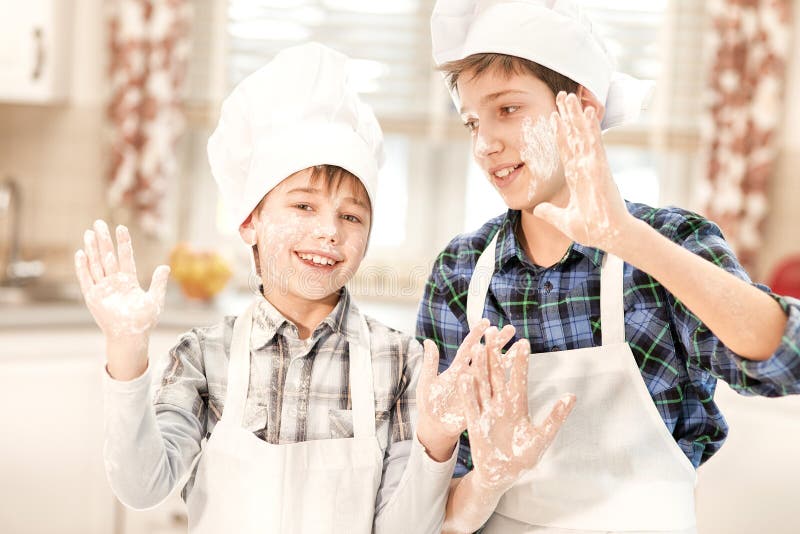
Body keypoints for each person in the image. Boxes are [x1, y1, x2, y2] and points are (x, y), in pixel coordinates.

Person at [416, 1, 800, 533]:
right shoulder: (461, 274)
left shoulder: (671, 244)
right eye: (473, 122)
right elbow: (428, 498)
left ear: (585, 109)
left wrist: (627, 239)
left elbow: (787, 361)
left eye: (507, 109)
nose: (486, 144)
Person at [77, 42, 486, 534]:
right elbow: (142, 487)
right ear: (250, 220)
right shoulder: (206, 355)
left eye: (352, 216)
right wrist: (125, 348)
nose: (329, 232)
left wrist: (437, 443)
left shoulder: (400, 362)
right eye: (303, 207)